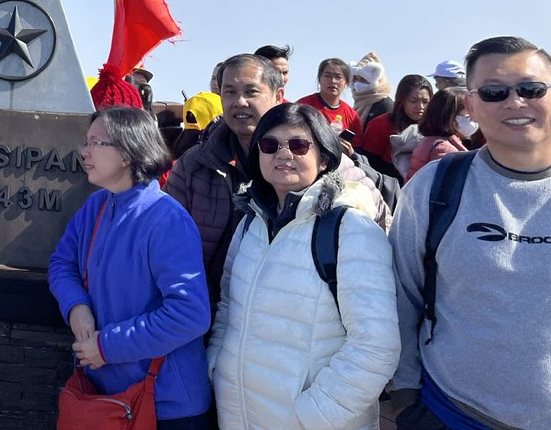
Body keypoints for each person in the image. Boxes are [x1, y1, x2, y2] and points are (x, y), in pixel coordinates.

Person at [208, 103, 400, 429]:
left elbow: (376, 344)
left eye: (298, 145)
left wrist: (317, 414)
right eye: (270, 145)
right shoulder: (250, 223)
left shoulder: (350, 228)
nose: (283, 154)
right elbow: (229, 308)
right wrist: (218, 365)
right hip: (240, 412)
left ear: (324, 158)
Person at [392, 36, 551, 427]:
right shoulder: (435, 186)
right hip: (451, 410)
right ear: (471, 106)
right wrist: (405, 396)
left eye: (532, 89)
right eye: (495, 92)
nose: (515, 102)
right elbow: (401, 295)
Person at [167, 54, 390, 314]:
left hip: (301, 317)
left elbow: (380, 223)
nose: (240, 101)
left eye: (251, 91)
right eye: (230, 92)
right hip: (210, 310)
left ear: (278, 95)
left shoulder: (315, 155)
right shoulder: (196, 164)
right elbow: (166, 242)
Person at [50, 107, 212, 430]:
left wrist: (106, 346)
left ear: (127, 153)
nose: (85, 151)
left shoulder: (167, 219)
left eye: (96, 143)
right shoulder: (96, 206)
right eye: (86, 141)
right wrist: (76, 306)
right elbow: (61, 262)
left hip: (166, 408)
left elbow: (189, 315)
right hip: (106, 398)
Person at [359, 74, 433, 176]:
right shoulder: (380, 124)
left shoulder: (433, 126)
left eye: (425, 102)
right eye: (413, 101)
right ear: (401, 101)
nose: (420, 107)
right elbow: (369, 164)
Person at [404, 86, 471, 183]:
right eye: (468, 116)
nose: (474, 120)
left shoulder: (431, 141)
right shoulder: (443, 150)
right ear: (450, 117)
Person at [298, 58, 362, 138]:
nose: (333, 81)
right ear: (319, 79)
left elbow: (357, 144)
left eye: (338, 77)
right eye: (328, 76)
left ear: (346, 83)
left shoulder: (352, 116)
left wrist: (348, 147)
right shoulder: (302, 106)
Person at [350, 52, 393, 130]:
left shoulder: (385, 105)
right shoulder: (357, 106)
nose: (358, 83)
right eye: (356, 79)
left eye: (364, 79)